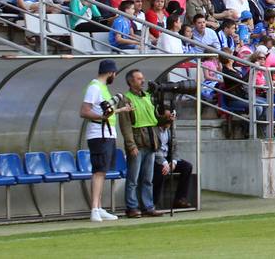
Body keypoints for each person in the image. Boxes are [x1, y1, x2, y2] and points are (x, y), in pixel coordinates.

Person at [80, 59, 131, 221]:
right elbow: (84, 111)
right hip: (99, 135)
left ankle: (99, 207)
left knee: (103, 171)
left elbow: (105, 111)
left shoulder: (102, 88)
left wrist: (120, 110)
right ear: (110, 73)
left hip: (106, 134)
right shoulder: (95, 87)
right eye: (114, 73)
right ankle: (94, 208)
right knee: (99, 171)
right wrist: (102, 117)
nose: (114, 76)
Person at [120, 69, 162, 218]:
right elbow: (125, 125)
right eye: (139, 79)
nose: (142, 81)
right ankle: (132, 207)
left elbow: (155, 119)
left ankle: (147, 206)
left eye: (142, 78)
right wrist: (131, 145)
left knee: (147, 179)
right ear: (131, 82)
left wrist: (167, 118)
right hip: (138, 142)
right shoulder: (126, 99)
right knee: (133, 179)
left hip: (150, 141)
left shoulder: (148, 97)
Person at [152, 106, 194, 210]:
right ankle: (153, 202)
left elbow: (175, 147)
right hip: (157, 160)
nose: (169, 120)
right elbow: (154, 150)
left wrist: (174, 161)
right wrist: (164, 163)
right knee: (161, 171)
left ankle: (180, 199)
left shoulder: (170, 129)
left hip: (169, 158)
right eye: (167, 117)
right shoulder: (154, 129)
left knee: (187, 167)